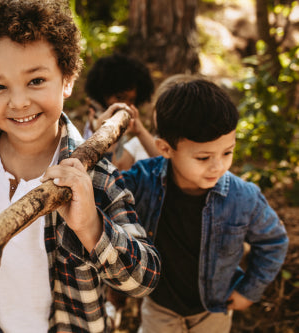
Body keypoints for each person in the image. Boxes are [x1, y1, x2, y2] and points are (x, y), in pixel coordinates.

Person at [0, 1, 161, 332]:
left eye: (35, 81)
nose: (18, 102)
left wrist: (90, 225)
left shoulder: (92, 175)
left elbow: (144, 278)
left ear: (67, 79)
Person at [114, 79, 289, 332]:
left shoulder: (244, 198)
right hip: (159, 306)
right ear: (165, 148)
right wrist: (107, 148)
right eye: (204, 157)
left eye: (227, 152)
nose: (218, 166)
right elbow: (107, 193)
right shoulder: (143, 180)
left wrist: (249, 291)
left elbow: (274, 242)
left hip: (213, 310)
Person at [82, 54, 158, 170]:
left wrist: (139, 131)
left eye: (131, 100)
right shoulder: (96, 120)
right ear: (104, 94)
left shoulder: (130, 131)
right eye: (120, 97)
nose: (125, 105)